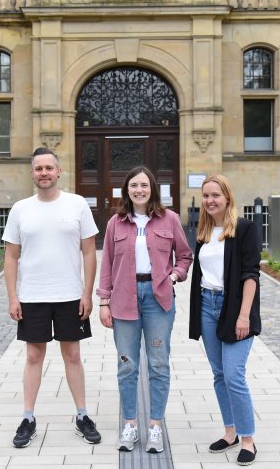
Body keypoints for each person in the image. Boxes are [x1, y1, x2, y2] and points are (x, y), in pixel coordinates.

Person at [2, 147, 102, 448]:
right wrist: (12, 297)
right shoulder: (20, 209)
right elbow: (10, 257)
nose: (44, 173)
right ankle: (28, 418)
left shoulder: (76, 205)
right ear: (32, 174)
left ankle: (82, 415)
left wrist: (87, 293)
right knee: (34, 356)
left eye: (49, 168)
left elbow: (89, 251)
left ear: (59, 172)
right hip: (33, 295)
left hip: (70, 294)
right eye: (38, 168)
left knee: (72, 355)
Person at [96, 166, 192, 454]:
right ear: (127, 189)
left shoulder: (169, 219)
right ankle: (129, 424)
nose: (139, 190)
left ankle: (154, 426)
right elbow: (107, 264)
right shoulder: (116, 223)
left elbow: (185, 256)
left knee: (158, 363)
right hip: (123, 299)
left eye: (144, 185)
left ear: (152, 189)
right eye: (134, 185)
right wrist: (103, 301)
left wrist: (174, 276)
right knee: (127, 366)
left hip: (158, 299)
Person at [188, 174, 261, 466]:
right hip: (207, 305)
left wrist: (244, 315)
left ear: (227, 197)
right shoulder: (204, 231)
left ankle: (248, 439)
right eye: (206, 195)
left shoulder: (244, 229)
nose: (209, 200)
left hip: (235, 310)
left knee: (234, 375)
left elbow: (250, 275)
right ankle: (229, 432)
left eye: (215, 195)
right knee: (219, 374)